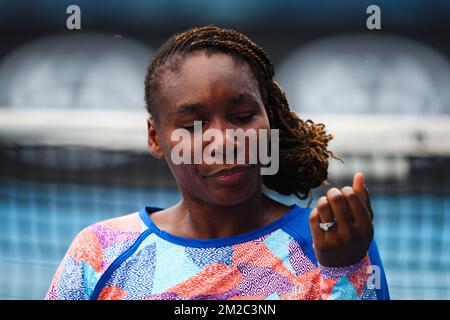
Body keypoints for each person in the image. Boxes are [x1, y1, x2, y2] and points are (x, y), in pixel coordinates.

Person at [45, 25, 390, 300]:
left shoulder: (333, 243)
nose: (225, 141)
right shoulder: (99, 252)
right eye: (193, 125)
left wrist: (343, 270)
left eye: (242, 116)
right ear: (155, 137)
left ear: (268, 118)